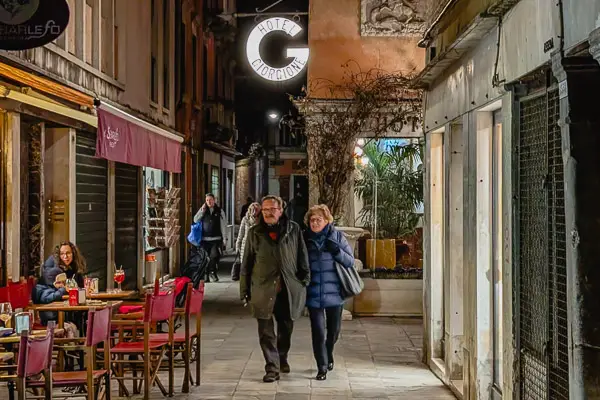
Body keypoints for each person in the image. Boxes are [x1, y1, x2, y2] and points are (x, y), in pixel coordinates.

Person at [240, 195, 310, 383]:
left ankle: (282, 356)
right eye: (265, 209)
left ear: (281, 210)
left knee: (286, 327)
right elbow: (246, 264)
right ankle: (272, 367)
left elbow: (302, 257)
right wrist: (244, 290)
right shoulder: (254, 233)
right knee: (265, 331)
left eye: (273, 209)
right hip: (262, 288)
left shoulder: (293, 230)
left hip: (287, 289)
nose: (269, 213)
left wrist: (304, 280)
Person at [304, 204, 355, 381]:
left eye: (319, 219)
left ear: (327, 221)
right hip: (313, 294)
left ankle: (329, 351)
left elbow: (350, 262)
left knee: (333, 331)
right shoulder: (305, 239)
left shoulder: (337, 237)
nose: (315, 222)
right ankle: (322, 366)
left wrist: (337, 252)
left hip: (335, 293)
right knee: (318, 331)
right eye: (312, 220)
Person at [194, 193, 228, 282]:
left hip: (216, 239)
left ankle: (212, 272)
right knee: (205, 257)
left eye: (210, 200)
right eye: (207, 200)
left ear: (214, 200)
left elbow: (223, 225)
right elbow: (195, 219)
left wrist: (225, 238)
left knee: (214, 256)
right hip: (204, 239)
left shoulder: (219, 211)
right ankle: (205, 274)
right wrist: (202, 211)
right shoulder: (203, 210)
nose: (209, 201)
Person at [232, 202, 261, 281]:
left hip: (257, 247)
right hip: (245, 247)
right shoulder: (245, 219)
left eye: (256, 209)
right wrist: (238, 245)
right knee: (245, 267)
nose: (254, 211)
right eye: (252, 209)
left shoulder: (261, 220)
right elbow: (241, 234)